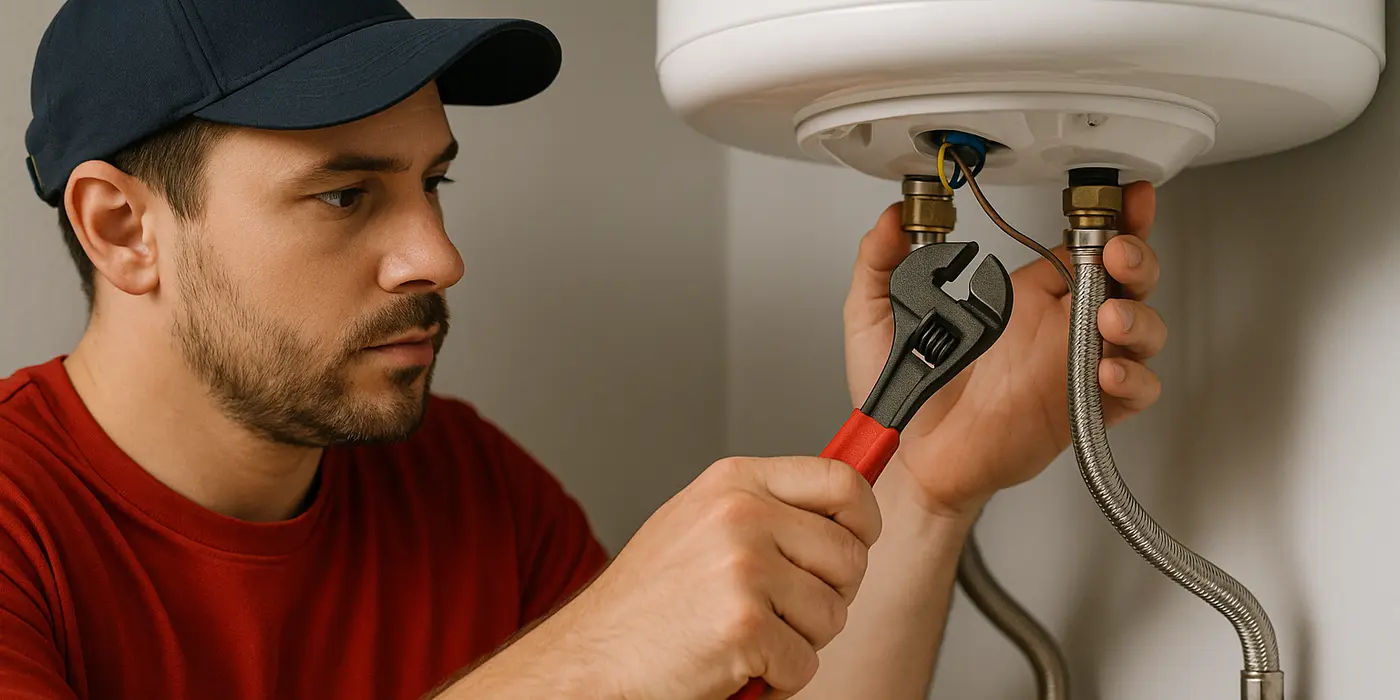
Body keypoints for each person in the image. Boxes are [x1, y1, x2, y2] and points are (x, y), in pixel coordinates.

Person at [0, 1, 1169, 699]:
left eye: (432, 181)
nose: (437, 255)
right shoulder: (18, 526)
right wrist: (582, 662)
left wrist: (927, 482)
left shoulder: (466, 485)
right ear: (122, 229)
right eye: (345, 197)